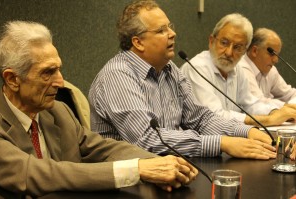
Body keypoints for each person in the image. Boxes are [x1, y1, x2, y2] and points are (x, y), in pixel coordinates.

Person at [0, 20, 198, 197]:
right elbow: (40, 174)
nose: (60, 82)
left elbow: (103, 148)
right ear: (12, 79)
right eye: (48, 73)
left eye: (59, 69)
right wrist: (137, 170)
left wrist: (159, 164)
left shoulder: (58, 111)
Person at [89, 0, 276, 160]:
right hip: (128, 181)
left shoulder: (170, 70)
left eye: (170, 26)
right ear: (138, 42)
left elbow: (200, 118)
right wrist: (221, 143)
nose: (172, 34)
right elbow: (147, 140)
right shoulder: (118, 75)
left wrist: (248, 132)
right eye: (161, 30)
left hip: (170, 168)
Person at [180, 13, 296, 127]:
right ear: (211, 41)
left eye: (237, 47)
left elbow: (250, 105)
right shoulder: (197, 68)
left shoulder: (237, 69)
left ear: (245, 51)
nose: (229, 52)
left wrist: (275, 112)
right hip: (201, 142)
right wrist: (268, 120)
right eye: (224, 43)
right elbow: (214, 117)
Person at [238, 28, 296, 107]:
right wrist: (289, 107)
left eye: (277, 55)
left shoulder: (271, 70)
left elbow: (290, 94)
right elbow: (258, 103)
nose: (276, 60)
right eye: (272, 54)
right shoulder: (241, 68)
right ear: (254, 51)